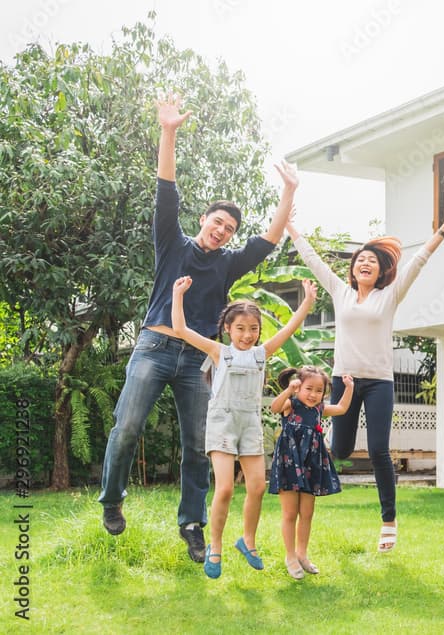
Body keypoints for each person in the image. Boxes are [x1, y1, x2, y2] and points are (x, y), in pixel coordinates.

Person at [97, 94, 298, 565]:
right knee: (127, 427)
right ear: (203, 220)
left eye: (229, 228)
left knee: (196, 445)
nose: (223, 231)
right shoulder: (172, 242)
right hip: (154, 345)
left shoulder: (229, 264)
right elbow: (165, 188)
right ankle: (111, 499)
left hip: (198, 361)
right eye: (218, 222)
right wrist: (168, 131)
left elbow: (269, 238)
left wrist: (288, 193)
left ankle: (191, 524)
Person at [287, 203, 444, 552]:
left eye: (372, 261)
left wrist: (442, 232)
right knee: (341, 449)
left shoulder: (390, 295)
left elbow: (418, 264)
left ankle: (388, 521)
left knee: (380, 449)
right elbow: (314, 261)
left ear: (381, 271)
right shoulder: (340, 292)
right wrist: (291, 228)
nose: (364, 263)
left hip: (379, 380)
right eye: (359, 260)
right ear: (352, 269)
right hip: (344, 380)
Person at [171, 275, 317, 578]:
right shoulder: (219, 351)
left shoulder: (261, 354)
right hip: (223, 422)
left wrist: (307, 302)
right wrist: (178, 295)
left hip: (250, 423)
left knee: (258, 487)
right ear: (227, 329)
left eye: (253, 329)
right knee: (224, 488)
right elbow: (181, 330)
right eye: (240, 329)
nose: (247, 335)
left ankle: (247, 541)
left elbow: (290, 329)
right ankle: (215, 546)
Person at [269, 366, 354, 579]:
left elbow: (343, 408)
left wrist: (350, 387)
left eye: (319, 390)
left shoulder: (319, 408)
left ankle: (302, 554)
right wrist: (289, 391)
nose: (313, 394)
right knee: (290, 513)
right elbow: (274, 407)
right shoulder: (292, 404)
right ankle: (290, 556)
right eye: (309, 389)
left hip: (311, 462)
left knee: (307, 513)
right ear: (298, 387)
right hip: (290, 460)